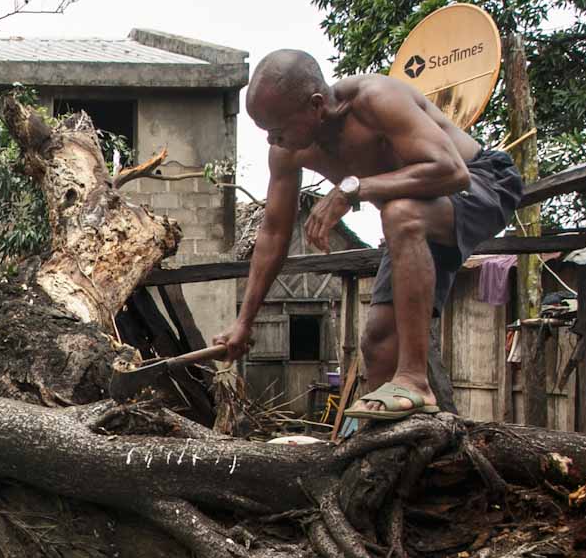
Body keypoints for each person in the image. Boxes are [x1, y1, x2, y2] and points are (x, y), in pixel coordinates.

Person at [216, 50, 523, 421]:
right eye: (265, 131)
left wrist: (350, 190)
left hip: (481, 183)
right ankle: (389, 450)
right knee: (377, 343)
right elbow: (274, 234)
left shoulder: (376, 99)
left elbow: (451, 171)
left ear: (316, 106)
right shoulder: (288, 153)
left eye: (278, 128)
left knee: (400, 213)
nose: (272, 140)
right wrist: (244, 322)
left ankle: (414, 380)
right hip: (415, 219)